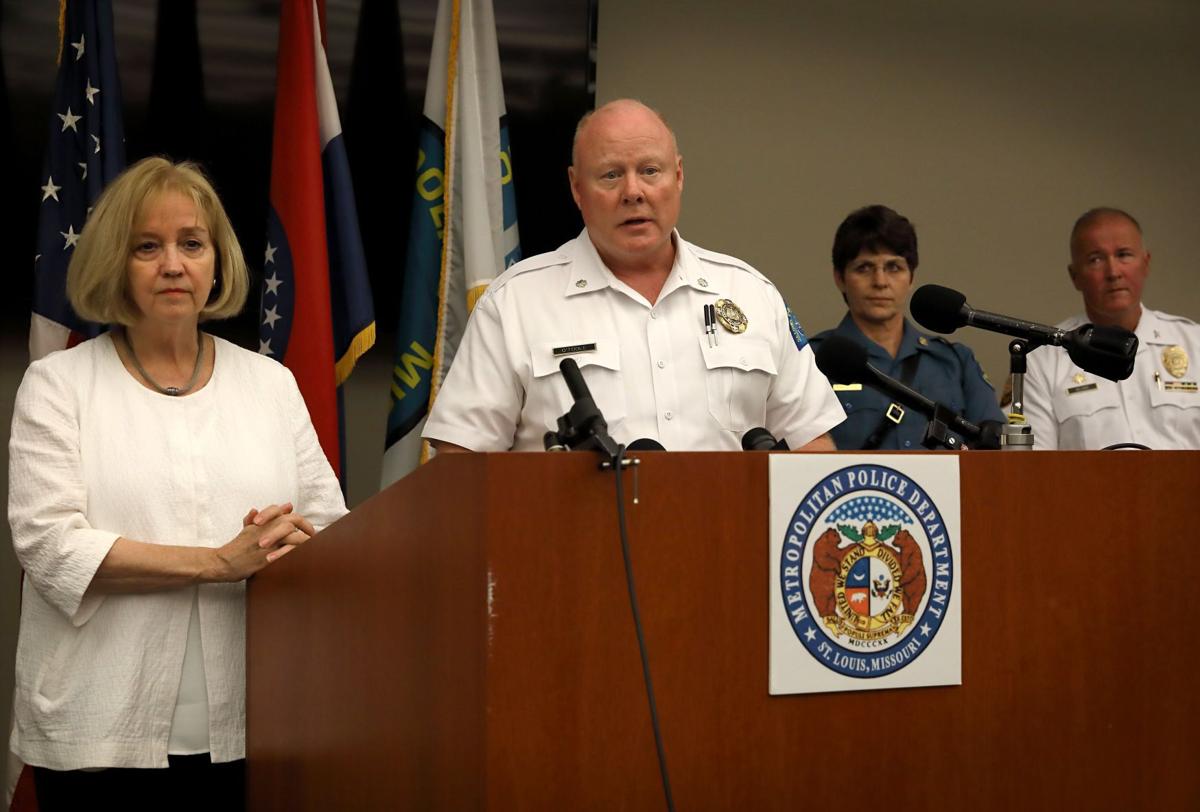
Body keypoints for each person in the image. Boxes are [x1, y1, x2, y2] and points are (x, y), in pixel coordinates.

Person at [8, 157, 347, 807]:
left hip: (257, 733)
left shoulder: (269, 386)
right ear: (114, 260)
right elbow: (50, 546)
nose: (173, 264)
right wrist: (220, 562)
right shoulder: (59, 386)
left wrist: (289, 547)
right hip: (99, 737)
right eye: (147, 246)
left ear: (216, 262)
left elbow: (329, 528)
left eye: (192, 244)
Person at [422, 99, 844, 452]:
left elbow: (812, 452)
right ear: (576, 188)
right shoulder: (515, 304)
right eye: (610, 175)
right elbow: (460, 467)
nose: (633, 192)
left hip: (731, 547)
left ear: (678, 176)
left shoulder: (751, 295)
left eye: (650, 171)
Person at [810, 205, 1003, 449]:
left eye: (894, 268)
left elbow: (995, 452)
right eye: (864, 268)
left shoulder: (955, 362)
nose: (880, 282)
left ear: (912, 277)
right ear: (840, 278)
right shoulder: (813, 361)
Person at [1023, 207, 1200, 449]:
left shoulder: (1193, 342)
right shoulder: (1043, 358)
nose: (1113, 272)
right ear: (1075, 276)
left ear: (1146, 263)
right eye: (1095, 259)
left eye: (1124, 254)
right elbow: (1032, 467)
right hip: (1086, 488)